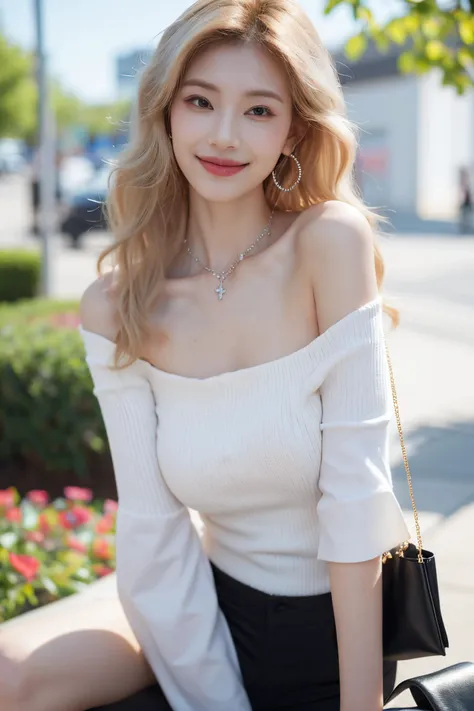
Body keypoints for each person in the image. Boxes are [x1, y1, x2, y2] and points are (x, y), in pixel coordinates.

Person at [0, 1, 411, 710]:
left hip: (334, 627)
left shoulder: (328, 244)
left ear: (293, 130)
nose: (224, 135)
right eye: (201, 101)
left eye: (258, 110)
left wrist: (361, 702)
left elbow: (357, 497)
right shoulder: (119, 305)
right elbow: (154, 530)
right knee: (10, 673)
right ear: (166, 111)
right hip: (201, 604)